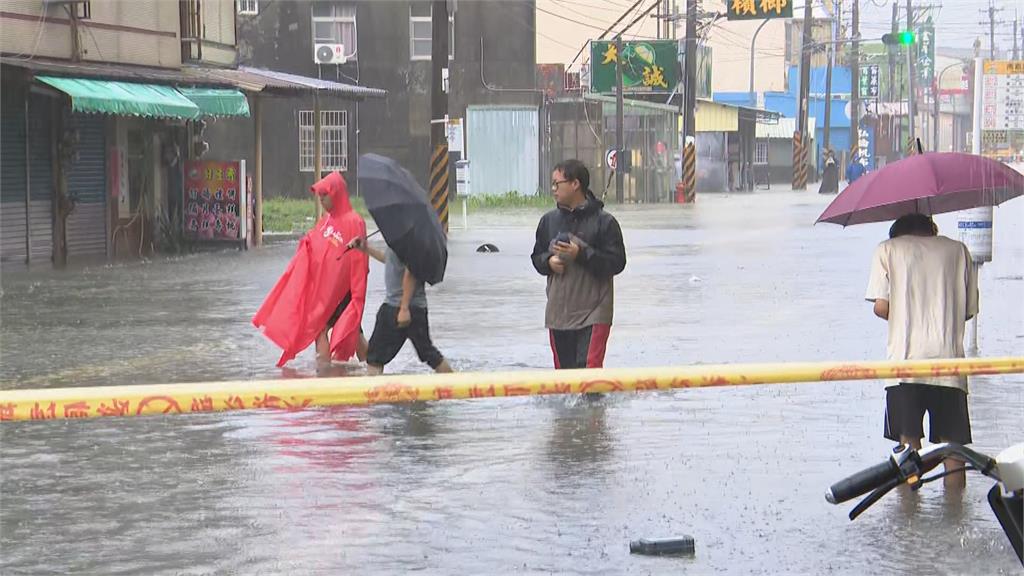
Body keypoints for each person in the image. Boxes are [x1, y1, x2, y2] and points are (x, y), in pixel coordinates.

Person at [865, 213, 979, 489]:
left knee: (908, 447)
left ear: (898, 230)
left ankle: (909, 518)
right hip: (950, 366)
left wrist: (906, 313)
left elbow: (881, 307)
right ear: (931, 226)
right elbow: (967, 312)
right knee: (953, 449)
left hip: (905, 366)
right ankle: (955, 513)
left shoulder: (887, 249)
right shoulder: (958, 251)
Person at [253, 172, 369, 369]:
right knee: (324, 330)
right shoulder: (326, 221)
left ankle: (366, 369)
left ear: (337, 193)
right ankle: (339, 371)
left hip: (343, 291)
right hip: (324, 292)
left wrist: (356, 292)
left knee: (350, 331)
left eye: (325, 194)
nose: (322, 199)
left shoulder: (354, 221)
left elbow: (359, 260)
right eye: (320, 195)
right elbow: (317, 247)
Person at [531, 159, 626, 370]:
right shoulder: (548, 221)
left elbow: (617, 263)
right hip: (558, 314)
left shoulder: (605, 222)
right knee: (564, 382)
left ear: (575, 184)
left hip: (594, 312)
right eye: (552, 184)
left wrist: (581, 253)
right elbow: (536, 258)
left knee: (589, 376)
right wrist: (549, 262)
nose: (553, 189)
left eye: (558, 184)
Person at [349, 236, 453, 375]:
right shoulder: (405, 239)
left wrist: (404, 308)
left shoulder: (408, 240)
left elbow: (411, 273)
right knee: (429, 353)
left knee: (374, 358)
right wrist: (365, 249)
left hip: (397, 307)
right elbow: (391, 260)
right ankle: (453, 385)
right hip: (416, 308)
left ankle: (372, 393)